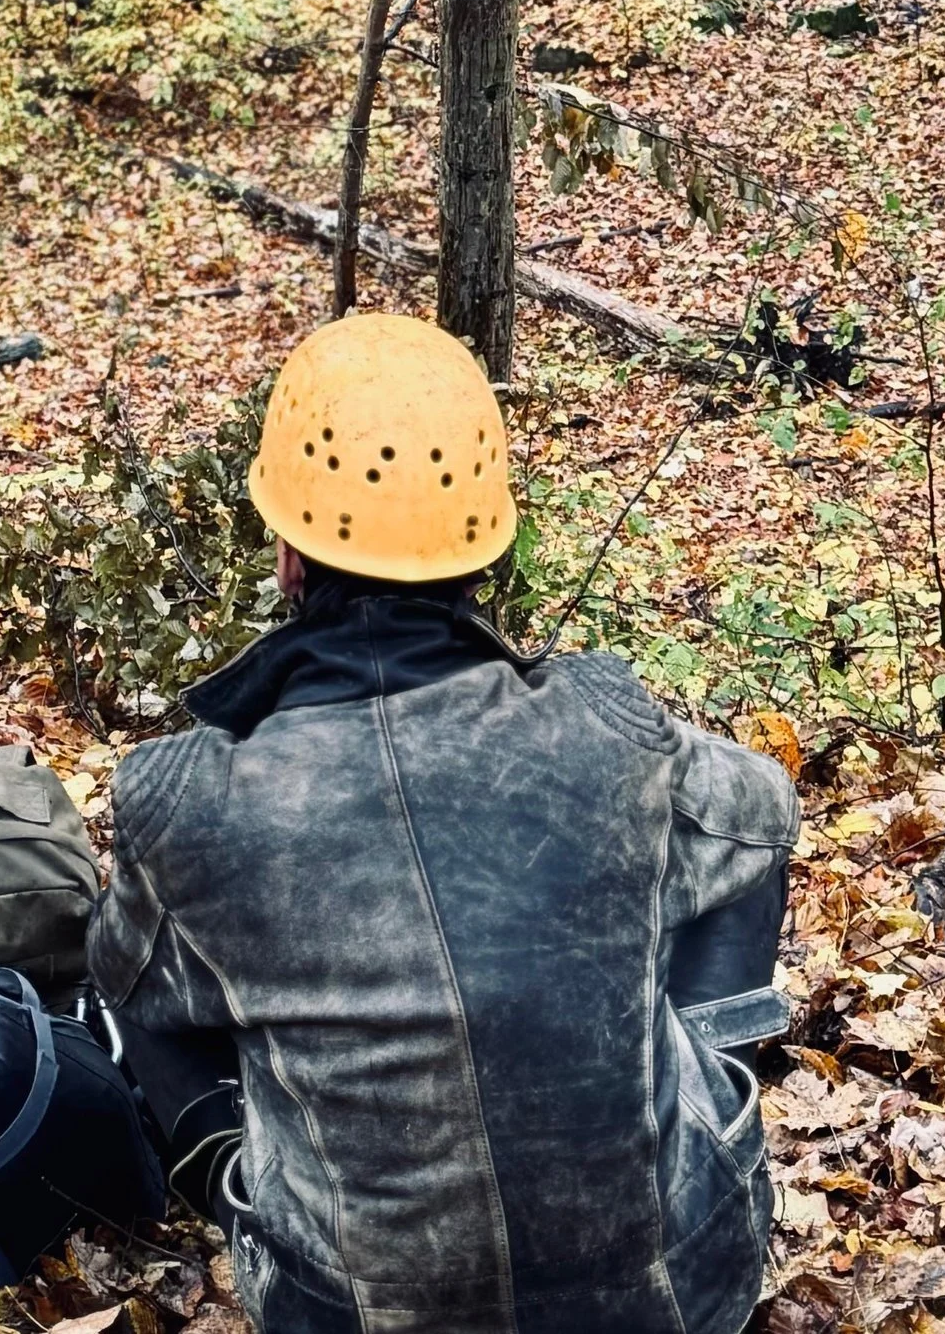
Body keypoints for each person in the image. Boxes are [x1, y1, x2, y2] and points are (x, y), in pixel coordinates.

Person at [91, 310, 796, 1334]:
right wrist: (709, 1058)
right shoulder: (613, 732)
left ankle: (239, 1183)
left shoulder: (185, 797)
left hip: (353, 1315)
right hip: (674, 1292)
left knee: (128, 996)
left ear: (288, 556)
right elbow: (761, 815)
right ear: (485, 553)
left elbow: (141, 991)